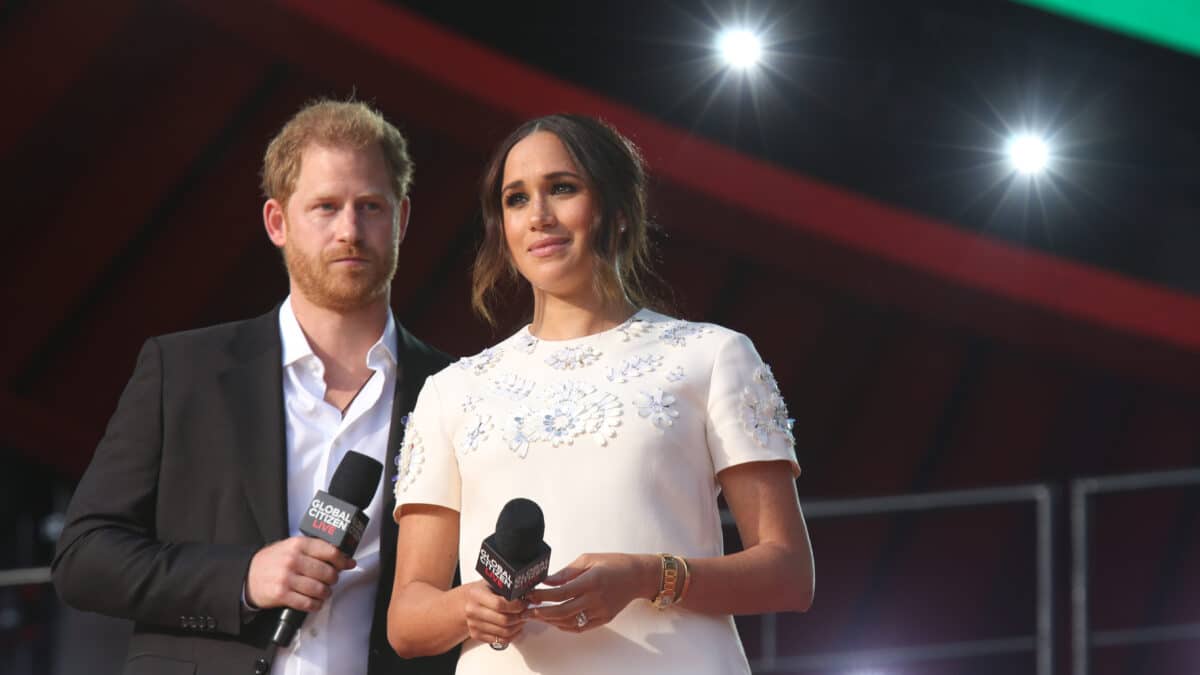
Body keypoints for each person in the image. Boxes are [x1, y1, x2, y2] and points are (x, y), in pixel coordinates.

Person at [387, 114, 814, 674]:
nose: (539, 216)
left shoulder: (710, 357)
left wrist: (645, 577)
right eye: (517, 199)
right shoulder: (453, 391)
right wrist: (467, 606)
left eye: (562, 188)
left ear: (615, 211)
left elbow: (787, 574)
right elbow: (407, 621)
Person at [52, 100, 458, 675]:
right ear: (277, 222)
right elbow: (83, 557)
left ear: (403, 219)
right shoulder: (183, 370)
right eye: (325, 207)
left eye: (370, 206)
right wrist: (243, 577)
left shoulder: (455, 389)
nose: (349, 229)